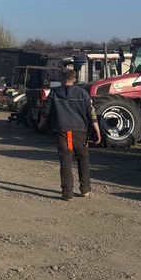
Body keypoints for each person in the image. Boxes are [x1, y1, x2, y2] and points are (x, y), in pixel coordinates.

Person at [40, 69, 102, 200]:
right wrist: (97, 130)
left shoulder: (54, 93)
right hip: (80, 131)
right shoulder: (83, 93)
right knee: (83, 159)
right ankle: (85, 190)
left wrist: (41, 124)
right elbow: (91, 112)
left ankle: (67, 193)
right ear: (75, 79)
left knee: (65, 161)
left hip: (62, 131)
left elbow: (46, 112)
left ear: (63, 79)